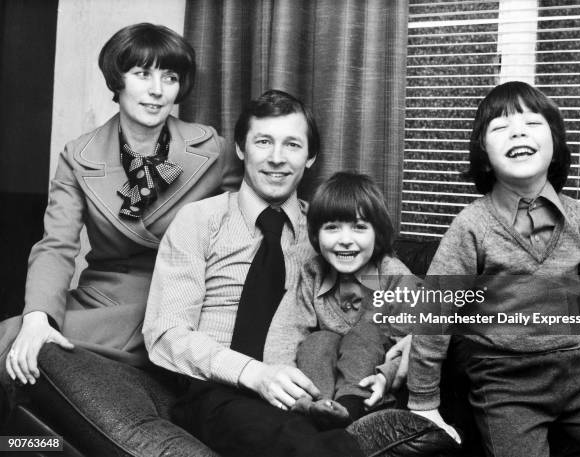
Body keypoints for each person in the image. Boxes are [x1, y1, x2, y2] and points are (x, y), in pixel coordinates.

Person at [144, 90, 449, 457]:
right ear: (241, 149)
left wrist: (418, 340)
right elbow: (165, 334)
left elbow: (410, 298)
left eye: (291, 144)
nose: (276, 158)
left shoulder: (333, 237)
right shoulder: (200, 220)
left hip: (304, 391)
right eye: (263, 142)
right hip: (219, 389)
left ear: (310, 158)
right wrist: (252, 373)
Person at [0, 23, 241, 456]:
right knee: (16, 339)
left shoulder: (214, 149)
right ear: (118, 79)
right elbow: (56, 245)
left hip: (178, 300)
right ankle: (24, 446)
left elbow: (249, 224)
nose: (157, 91)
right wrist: (39, 315)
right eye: (142, 74)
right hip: (104, 299)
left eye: (169, 77)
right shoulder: (80, 155)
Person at [406, 81, 580, 456]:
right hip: (505, 385)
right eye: (499, 127)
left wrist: (573, 356)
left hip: (572, 380)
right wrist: (423, 402)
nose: (517, 130)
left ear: (556, 144)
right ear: (484, 155)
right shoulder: (472, 226)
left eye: (533, 123)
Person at [265, 171, 421, 428]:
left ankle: (350, 407)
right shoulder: (313, 272)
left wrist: (387, 376)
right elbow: (287, 329)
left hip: (371, 387)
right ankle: (319, 407)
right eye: (332, 228)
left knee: (365, 334)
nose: (345, 240)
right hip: (323, 382)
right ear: (316, 235)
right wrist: (280, 377)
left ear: (377, 234)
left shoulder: (394, 276)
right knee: (318, 340)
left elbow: (420, 341)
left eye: (359, 227)